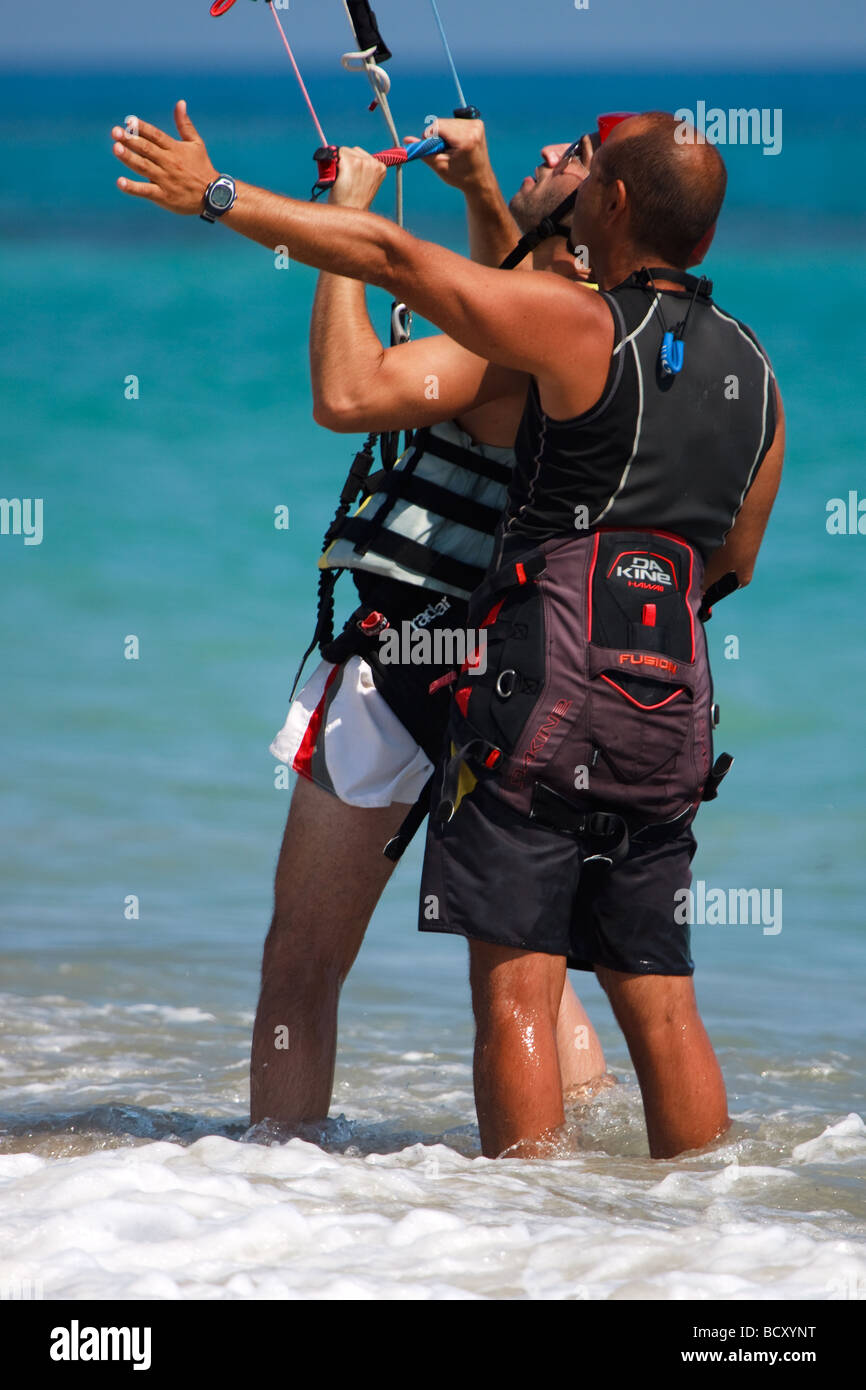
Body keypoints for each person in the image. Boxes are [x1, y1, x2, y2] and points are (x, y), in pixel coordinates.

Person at [111, 107, 784, 1161]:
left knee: (440, 974)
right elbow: (733, 560)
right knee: (650, 1002)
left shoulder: (563, 331)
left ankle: (474, 1210)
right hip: (661, 707)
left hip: (472, 678)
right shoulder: (753, 378)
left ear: (603, 206)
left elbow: (358, 362)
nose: (555, 156)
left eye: (578, 159)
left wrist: (225, 194)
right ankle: (692, 1233)